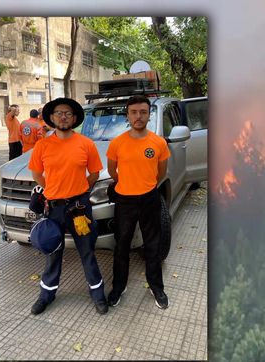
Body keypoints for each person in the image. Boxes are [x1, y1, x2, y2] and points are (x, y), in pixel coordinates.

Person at [28, 97, 109, 315]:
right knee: (53, 253)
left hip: (79, 207)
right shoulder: (42, 145)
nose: (63, 117)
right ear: (52, 118)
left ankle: (98, 294)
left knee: (87, 251)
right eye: (59, 113)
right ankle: (46, 295)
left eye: (68, 114)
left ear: (74, 118)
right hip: (53, 209)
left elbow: (94, 173)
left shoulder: (86, 144)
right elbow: (36, 173)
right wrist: (53, 188)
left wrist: (81, 190)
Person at [105, 95, 171, 309]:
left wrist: (145, 185)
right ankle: (118, 286)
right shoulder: (117, 143)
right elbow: (112, 171)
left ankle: (156, 286)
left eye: (143, 112)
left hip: (149, 198)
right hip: (124, 200)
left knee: (153, 244)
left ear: (149, 115)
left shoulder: (158, 143)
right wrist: (128, 184)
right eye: (134, 112)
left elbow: (161, 173)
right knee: (122, 244)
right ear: (127, 115)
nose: (138, 116)